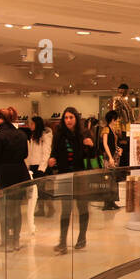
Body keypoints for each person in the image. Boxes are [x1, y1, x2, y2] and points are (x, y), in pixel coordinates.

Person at [47, 107, 97, 253]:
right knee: (65, 210)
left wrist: (91, 145)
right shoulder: (59, 135)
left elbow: (94, 156)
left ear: (76, 118)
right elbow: (54, 152)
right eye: (66, 117)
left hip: (81, 176)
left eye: (71, 117)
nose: (68, 120)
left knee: (82, 208)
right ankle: (62, 241)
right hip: (64, 176)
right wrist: (52, 159)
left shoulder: (84, 134)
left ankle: (82, 237)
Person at [0, 107, 30, 252]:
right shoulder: (22, 135)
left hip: (4, 176)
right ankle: (15, 240)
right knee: (16, 209)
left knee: (4, 210)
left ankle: (6, 241)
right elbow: (25, 154)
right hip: (20, 175)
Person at [26, 115, 54, 217]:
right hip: (33, 165)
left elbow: (46, 152)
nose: (30, 125)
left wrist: (42, 168)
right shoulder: (33, 135)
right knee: (36, 190)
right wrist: (28, 165)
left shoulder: (45, 135)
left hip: (41, 165)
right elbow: (31, 152)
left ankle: (51, 208)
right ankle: (41, 209)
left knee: (43, 190)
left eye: (32, 124)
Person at [99, 110, 124, 211]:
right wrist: (110, 157)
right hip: (109, 158)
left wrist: (118, 149)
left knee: (113, 180)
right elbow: (105, 144)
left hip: (114, 157)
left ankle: (112, 201)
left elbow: (112, 144)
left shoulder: (112, 130)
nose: (117, 121)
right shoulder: (106, 129)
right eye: (116, 119)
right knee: (108, 180)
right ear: (113, 119)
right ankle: (107, 203)